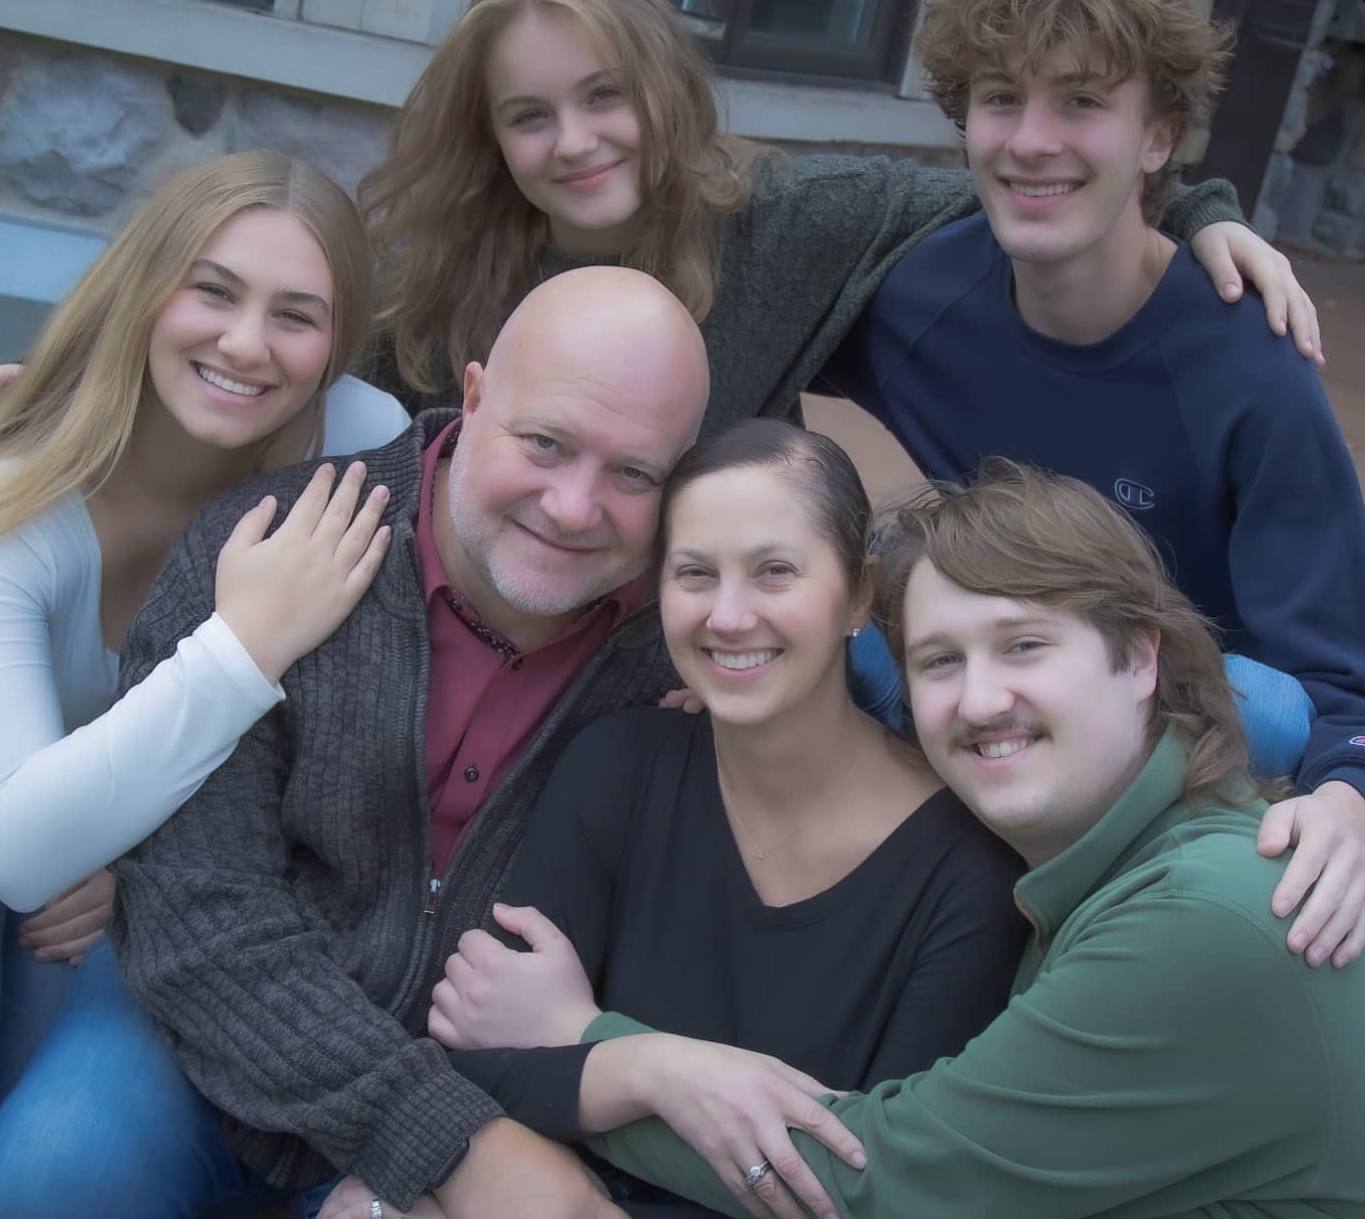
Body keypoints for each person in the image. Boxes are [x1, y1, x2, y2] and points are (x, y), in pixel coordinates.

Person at [565, 462, 1365, 1219]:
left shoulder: (1204, 914)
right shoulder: (1102, 873)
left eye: (1024, 644)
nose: (980, 701)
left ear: (1138, 656)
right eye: (940, 660)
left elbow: (880, 1183)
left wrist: (581, 1054)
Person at [110, 266, 711, 1219]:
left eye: (633, 473)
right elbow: (194, 902)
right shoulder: (264, 546)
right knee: (53, 1173)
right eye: (545, 443)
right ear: (473, 399)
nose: (572, 506)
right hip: (199, 1047)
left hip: (494, 1095)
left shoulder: (689, 651)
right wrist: (442, 1140)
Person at [819, 0, 1365, 973]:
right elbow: (743, 321)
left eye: (1080, 103)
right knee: (835, 629)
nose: (1031, 141)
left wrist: (1347, 799)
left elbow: (1339, 676)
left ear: (1158, 137)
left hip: (1177, 725)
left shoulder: (1249, 365)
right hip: (988, 682)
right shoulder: (923, 294)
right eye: (1001, 100)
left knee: (1277, 713)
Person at [359, 0, 1320, 438]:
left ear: (664, 85)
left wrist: (1196, 210)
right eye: (529, 115)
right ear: (489, 134)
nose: (575, 142)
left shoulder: (779, 220)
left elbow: (1019, 185)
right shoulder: (430, 280)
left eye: (605, 95)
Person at [425, 418, 1025, 1218]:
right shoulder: (618, 766)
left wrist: (596, 1044)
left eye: (774, 571)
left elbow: (865, 1181)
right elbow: (476, 1054)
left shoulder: (970, 868)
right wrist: (661, 1070)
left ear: (859, 591)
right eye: (695, 573)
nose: (729, 616)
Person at [0, 150, 405, 1212]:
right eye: (213, 291)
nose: (244, 343)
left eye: (295, 315)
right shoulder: (24, 505)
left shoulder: (361, 445)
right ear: (146, 288)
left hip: (152, 881)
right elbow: (24, 849)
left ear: (336, 345)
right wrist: (245, 645)